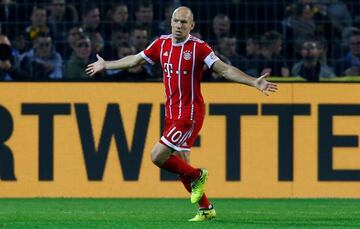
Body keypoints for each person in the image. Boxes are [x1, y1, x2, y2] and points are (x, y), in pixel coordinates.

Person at [86, 6, 277, 222]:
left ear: (192, 26)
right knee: (181, 163)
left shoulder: (199, 48)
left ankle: (199, 175)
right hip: (171, 113)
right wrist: (106, 65)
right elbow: (135, 60)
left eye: (184, 22)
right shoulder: (162, 43)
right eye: (176, 21)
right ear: (171, 22)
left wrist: (253, 81)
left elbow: (224, 69)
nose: (179, 25)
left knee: (157, 156)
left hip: (190, 113)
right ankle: (206, 208)